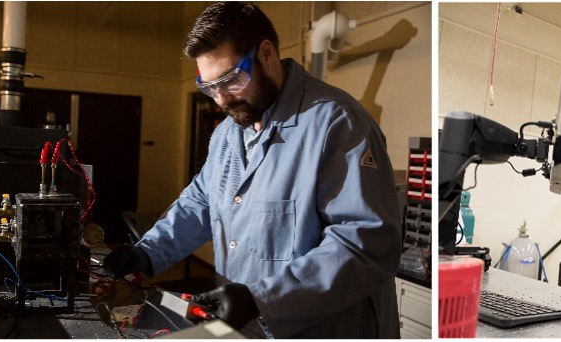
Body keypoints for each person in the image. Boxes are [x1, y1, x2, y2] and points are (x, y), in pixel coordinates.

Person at [99, 2, 401, 338]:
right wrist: (147, 251)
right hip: (247, 327)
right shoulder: (229, 132)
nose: (221, 100)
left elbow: (366, 243)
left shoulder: (336, 122)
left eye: (230, 80)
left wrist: (263, 299)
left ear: (266, 53)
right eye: (208, 86)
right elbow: (201, 201)